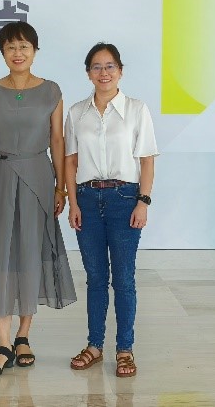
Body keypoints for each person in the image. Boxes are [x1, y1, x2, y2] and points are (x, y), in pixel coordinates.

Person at [0, 21, 77, 378]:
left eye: (24, 47)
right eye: (10, 47)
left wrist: (61, 188)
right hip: (0, 177)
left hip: (38, 175)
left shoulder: (51, 90)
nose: (17, 53)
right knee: (1, 254)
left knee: (32, 253)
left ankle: (23, 336)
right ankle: (3, 343)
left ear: (35, 51)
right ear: (2, 52)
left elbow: (58, 141)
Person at [64, 42, 157, 378]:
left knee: (124, 279)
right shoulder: (77, 113)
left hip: (124, 198)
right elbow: (70, 161)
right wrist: (73, 202)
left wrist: (143, 201)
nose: (103, 73)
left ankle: (125, 349)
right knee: (95, 279)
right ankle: (94, 345)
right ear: (88, 73)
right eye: (96, 67)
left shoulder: (136, 109)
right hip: (87, 200)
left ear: (120, 70)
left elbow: (146, 160)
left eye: (109, 66)